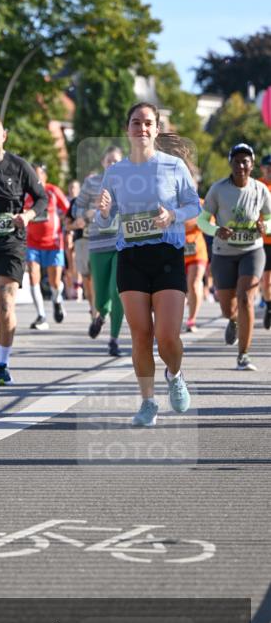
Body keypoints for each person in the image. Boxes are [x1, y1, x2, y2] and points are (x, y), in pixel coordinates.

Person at [96, 104, 200, 426]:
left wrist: (173, 215)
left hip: (167, 254)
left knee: (167, 337)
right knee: (141, 336)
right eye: (135, 123)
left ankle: (175, 373)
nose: (141, 128)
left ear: (156, 129)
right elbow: (106, 223)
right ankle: (148, 402)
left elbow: (194, 204)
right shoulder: (115, 173)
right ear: (127, 129)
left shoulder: (173, 166)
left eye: (148, 123)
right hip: (131, 257)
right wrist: (103, 213)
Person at [0, 115, 48, 385]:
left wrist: (27, 216)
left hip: (12, 242)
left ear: (4, 136)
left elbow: (42, 198)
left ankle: (2, 364)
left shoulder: (19, 165)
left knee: (6, 300)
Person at [198, 143, 271, 370]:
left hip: (252, 250)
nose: (241, 165)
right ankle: (232, 320)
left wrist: (264, 226)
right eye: (237, 160)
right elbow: (202, 221)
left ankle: (244, 355)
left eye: (245, 161)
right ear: (230, 163)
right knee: (228, 307)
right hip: (223, 253)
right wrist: (215, 230)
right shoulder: (218, 190)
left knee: (245, 299)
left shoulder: (260, 190)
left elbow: (270, 219)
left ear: (251, 165)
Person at [75, 146, 125, 356]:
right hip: (97, 242)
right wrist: (89, 213)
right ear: (103, 163)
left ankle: (113, 340)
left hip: (121, 243)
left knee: (118, 292)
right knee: (101, 293)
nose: (113, 164)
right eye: (109, 161)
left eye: (117, 161)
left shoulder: (129, 184)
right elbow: (77, 208)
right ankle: (101, 315)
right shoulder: (92, 183)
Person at [25, 165, 70, 330]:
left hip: (53, 243)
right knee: (33, 277)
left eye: (38, 176)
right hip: (32, 242)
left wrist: (66, 222)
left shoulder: (53, 190)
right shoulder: (26, 193)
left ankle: (57, 300)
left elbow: (68, 209)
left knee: (55, 282)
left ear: (44, 176)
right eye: (33, 176)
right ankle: (41, 316)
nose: (36, 179)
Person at [183, 202, 209, 332]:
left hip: (197, 251)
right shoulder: (170, 202)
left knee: (194, 283)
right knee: (180, 289)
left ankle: (191, 319)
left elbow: (208, 224)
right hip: (176, 251)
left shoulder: (202, 203)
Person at [260, 153, 271, 330]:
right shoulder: (257, 185)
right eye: (267, 166)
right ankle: (269, 305)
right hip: (263, 240)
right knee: (266, 281)